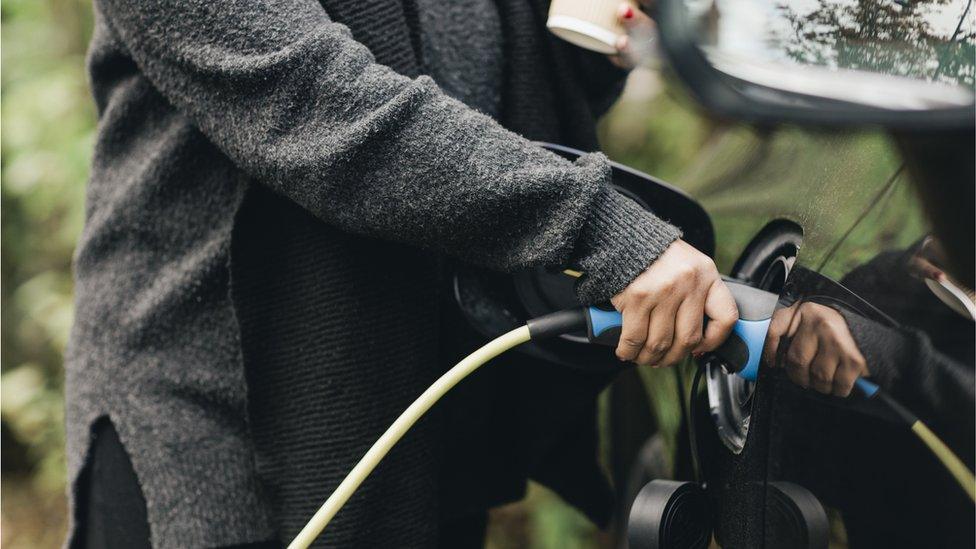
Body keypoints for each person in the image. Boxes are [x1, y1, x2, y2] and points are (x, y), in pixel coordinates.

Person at [65, 1, 738, 548]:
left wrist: (595, 43)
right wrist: (594, 227)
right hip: (212, 408)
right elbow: (316, 102)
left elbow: (499, 90)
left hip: (413, 402)